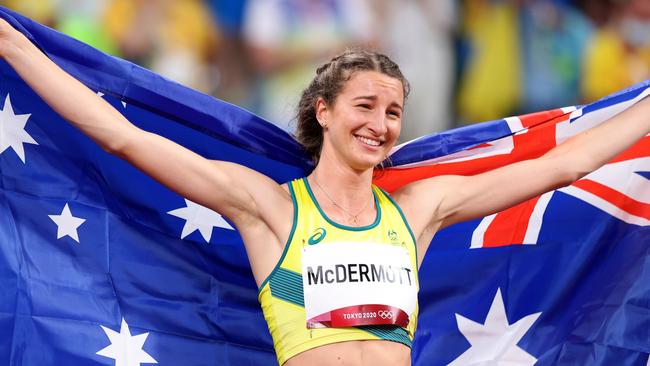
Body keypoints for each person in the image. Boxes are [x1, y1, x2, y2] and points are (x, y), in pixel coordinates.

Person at [0, 18, 648, 366]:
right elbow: (121, 138)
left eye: (393, 113)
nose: (381, 124)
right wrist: (11, 45)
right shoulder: (270, 208)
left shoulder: (421, 210)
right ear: (323, 111)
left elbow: (571, 162)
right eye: (365, 105)